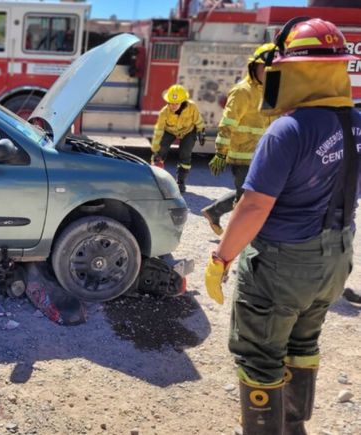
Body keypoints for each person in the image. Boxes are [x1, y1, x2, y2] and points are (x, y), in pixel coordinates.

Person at [204, 18, 360, 434]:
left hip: (283, 268)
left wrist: (222, 258)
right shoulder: (357, 124)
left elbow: (253, 207)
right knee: (303, 343)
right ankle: (293, 426)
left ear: (289, 69)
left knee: (259, 355)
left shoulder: (287, 130)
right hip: (336, 259)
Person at [201, 43, 276, 235]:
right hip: (241, 154)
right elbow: (228, 122)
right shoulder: (243, 91)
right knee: (248, 200)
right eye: (264, 68)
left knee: (253, 195)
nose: (269, 72)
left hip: (262, 154)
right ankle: (240, 238)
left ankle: (213, 212)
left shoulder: (272, 90)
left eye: (274, 68)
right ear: (254, 68)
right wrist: (220, 152)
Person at [151, 84, 206, 193]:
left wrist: (201, 131)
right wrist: (156, 147)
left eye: (176, 103)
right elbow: (159, 130)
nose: (173, 106)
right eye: (171, 103)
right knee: (160, 152)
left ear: (183, 101)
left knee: (185, 155)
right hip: (170, 131)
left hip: (188, 131)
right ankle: (155, 180)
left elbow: (198, 120)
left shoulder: (192, 107)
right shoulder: (164, 112)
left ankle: (180, 182)